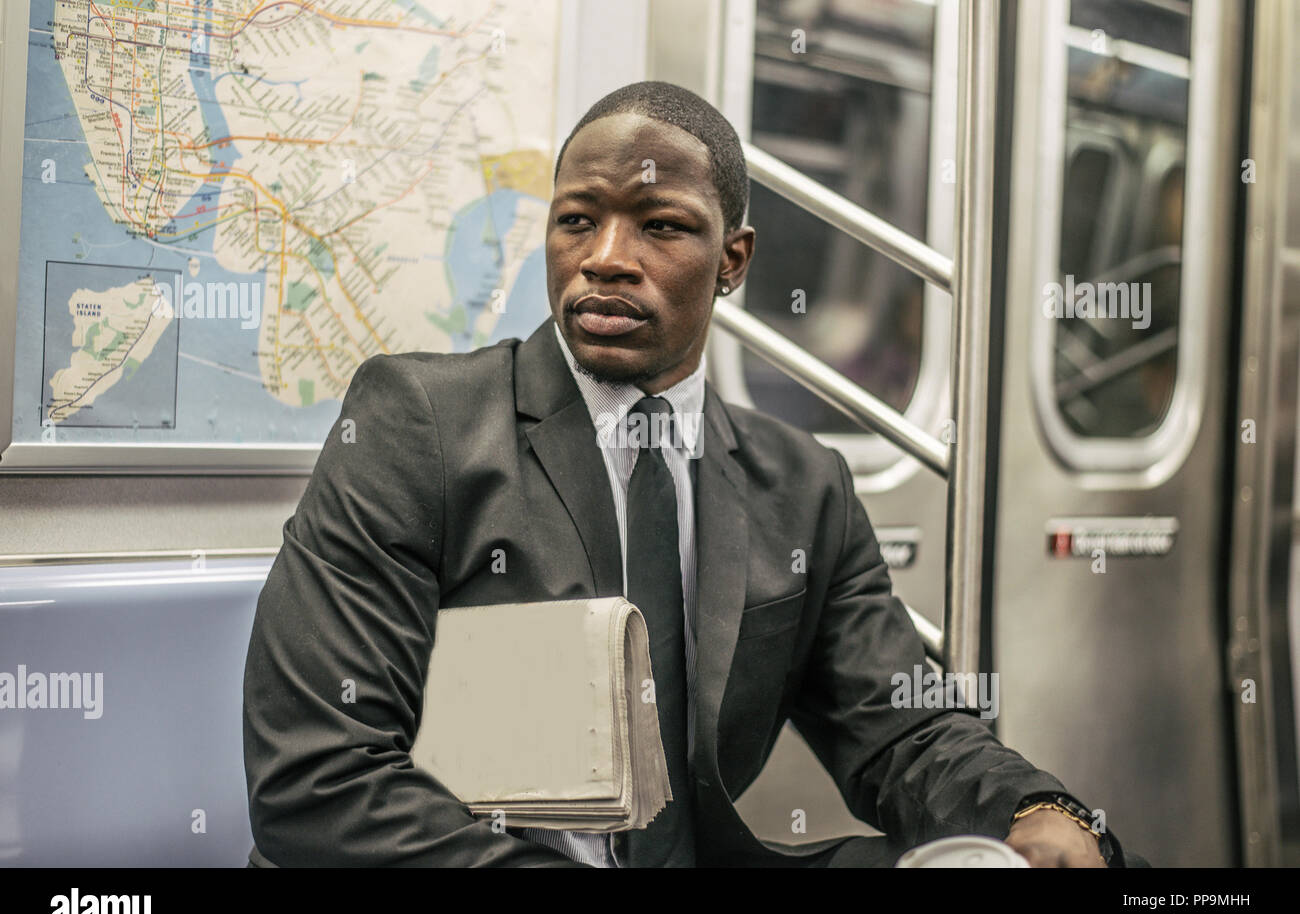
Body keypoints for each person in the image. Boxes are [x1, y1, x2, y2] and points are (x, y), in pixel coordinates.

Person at [242, 80, 1136, 868]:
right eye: (577, 220)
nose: (606, 258)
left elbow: (900, 730)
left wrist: (1038, 810)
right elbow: (320, 778)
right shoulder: (421, 425)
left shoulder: (803, 486)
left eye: (660, 226)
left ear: (734, 262)